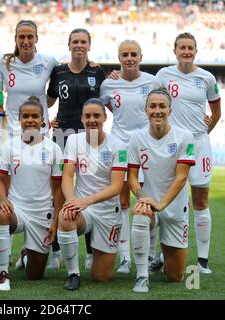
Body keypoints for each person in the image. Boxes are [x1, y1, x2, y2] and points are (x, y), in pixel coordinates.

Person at [155, 33, 221, 274]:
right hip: (173, 146)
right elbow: (154, 102)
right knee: (170, 199)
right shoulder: (163, 75)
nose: (186, 51)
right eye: (182, 47)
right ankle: (165, 252)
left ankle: (203, 260)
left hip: (199, 144)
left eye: (190, 48)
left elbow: (216, 112)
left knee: (201, 200)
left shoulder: (206, 78)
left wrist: (204, 131)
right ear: (175, 50)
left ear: (195, 50)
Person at [99, 40, 161, 273]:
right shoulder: (108, 84)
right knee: (122, 201)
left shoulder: (153, 82)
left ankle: (151, 255)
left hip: (146, 147)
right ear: (119, 58)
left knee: (147, 201)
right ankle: (124, 258)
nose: (129, 58)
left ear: (141, 56)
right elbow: (107, 108)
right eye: (125, 54)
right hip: (120, 146)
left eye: (133, 54)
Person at [47, 28, 106, 270]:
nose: (79, 45)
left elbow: (107, 100)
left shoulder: (97, 71)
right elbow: (49, 100)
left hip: (90, 137)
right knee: (58, 191)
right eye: (75, 42)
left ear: (89, 45)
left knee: (89, 187)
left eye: (83, 42)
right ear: (69, 45)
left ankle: (92, 251)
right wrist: (48, 119)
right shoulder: (58, 71)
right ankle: (56, 250)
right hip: (62, 136)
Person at [0, 97, 64, 291]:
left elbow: (58, 189)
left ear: (42, 120)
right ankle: (3, 273)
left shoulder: (54, 148)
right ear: (19, 119)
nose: (30, 120)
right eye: (26, 116)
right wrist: (4, 199)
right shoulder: (8, 146)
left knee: (34, 275)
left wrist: (56, 221)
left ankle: (26, 255)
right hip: (17, 209)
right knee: (0, 214)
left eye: (34, 116)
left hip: (42, 213)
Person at [127, 88, 195, 293]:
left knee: (175, 277)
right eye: (153, 106)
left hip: (174, 208)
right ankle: (141, 276)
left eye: (162, 106)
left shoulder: (185, 137)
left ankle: (162, 256)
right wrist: (142, 197)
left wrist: (161, 204)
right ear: (145, 110)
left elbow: (182, 177)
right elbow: (131, 177)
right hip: (149, 202)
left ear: (170, 110)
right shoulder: (136, 138)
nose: (157, 110)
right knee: (140, 212)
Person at [57, 98, 127, 290]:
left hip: (107, 212)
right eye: (87, 116)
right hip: (83, 210)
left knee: (102, 277)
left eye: (97, 115)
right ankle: (73, 274)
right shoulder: (72, 140)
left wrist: (86, 201)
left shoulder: (118, 145)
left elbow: (116, 186)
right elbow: (67, 176)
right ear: (81, 119)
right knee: (65, 216)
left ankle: (94, 245)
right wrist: (72, 202)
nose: (92, 120)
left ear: (105, 118)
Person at [0, 20, 58, 137]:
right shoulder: (4, 63)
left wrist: (89, 63)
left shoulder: (48, 62)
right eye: (22, 37)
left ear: (36, 39)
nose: (26, 41)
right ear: (15, 39)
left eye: (30, 37)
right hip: (12, 132)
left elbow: (68, 76)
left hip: (40, 132)